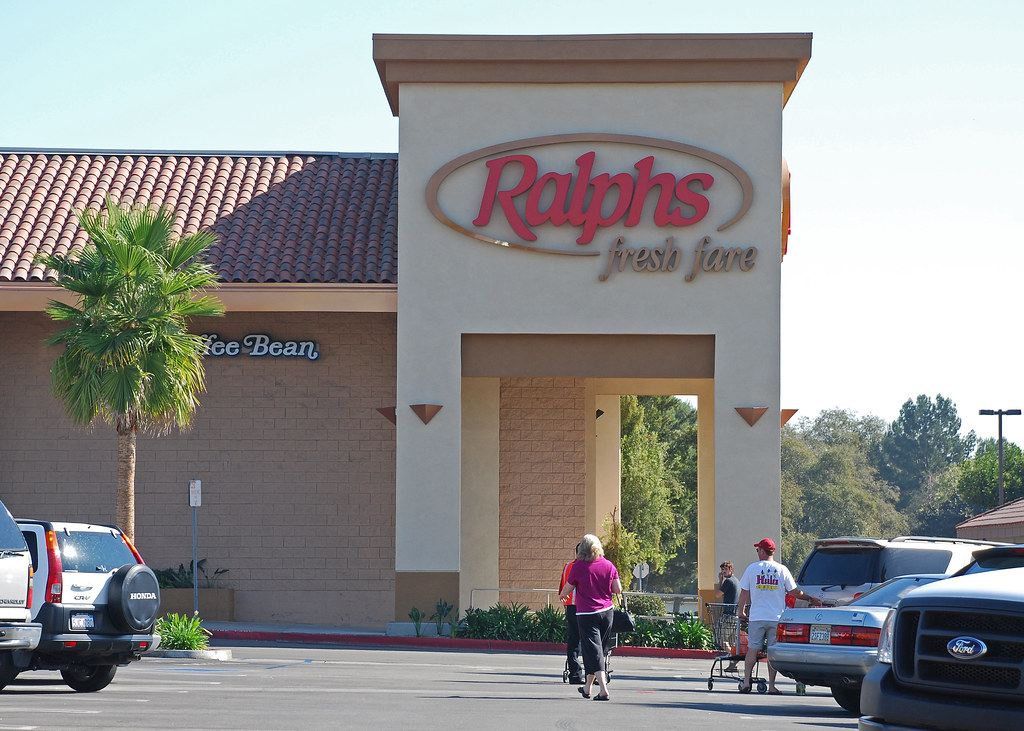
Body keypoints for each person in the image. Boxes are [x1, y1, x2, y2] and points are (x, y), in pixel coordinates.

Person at [737, 538, 819, 694]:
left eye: (758, 550)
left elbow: (744, 592)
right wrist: (809, 598)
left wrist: (741, 611)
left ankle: (746, 682)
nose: (757, 553)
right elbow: (795, 592)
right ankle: (772, 686)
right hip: (776, 618)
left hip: (757, 617)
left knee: (752, 649)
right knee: (772, 652)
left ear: (762, 551)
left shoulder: (752, 569)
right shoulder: (782, 570)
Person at [558, 533, 622, 702]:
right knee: (595, 650)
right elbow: (617, 589)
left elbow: (567, 589)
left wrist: (562, 597)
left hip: (587, 613)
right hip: (607, 612)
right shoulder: (609, 565)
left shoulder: (578, 567)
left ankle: (603, 689)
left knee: (594, 651)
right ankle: (587, 688)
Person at [558, 544, 585, 684]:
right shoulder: (585, 567)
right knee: (588, 641)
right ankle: (594, 674)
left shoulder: (568, 566)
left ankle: (574, 674)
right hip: (585, 607)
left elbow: (563, 586)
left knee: (573, 641)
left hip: (571, 607)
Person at [715, 560, 741, 672]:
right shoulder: (737, 581)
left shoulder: (728, 581)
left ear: (731, 570)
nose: (723, 571)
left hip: (728, 615)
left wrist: (720, 580)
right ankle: (732, 664)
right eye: (722, 569)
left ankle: (733, 657)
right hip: (735, 615)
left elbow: (717, 595)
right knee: (730, 641)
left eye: (726, 569)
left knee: (720, 638)